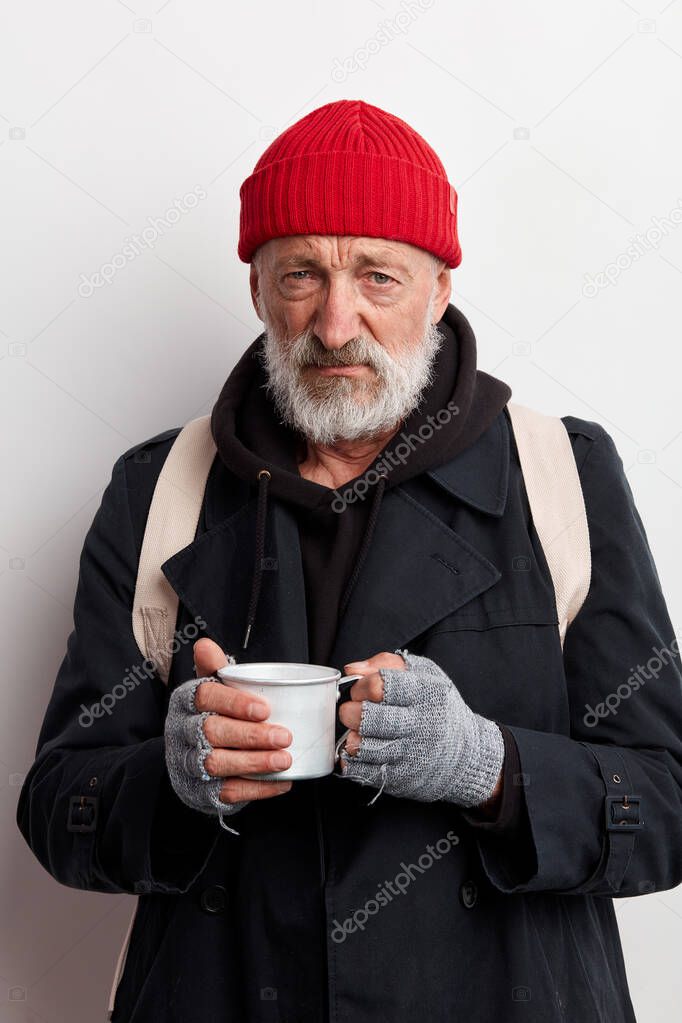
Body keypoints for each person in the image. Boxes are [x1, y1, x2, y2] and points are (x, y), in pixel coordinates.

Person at [17, 99, 682, 1023]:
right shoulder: (156, 488)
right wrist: (169, 782)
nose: (335, 325)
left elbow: (669, 798)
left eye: (378, 276)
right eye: (301, 275)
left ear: (440, 290)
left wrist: (487, 766)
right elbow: (56, 804)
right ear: (257, 290)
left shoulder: (562, 475)